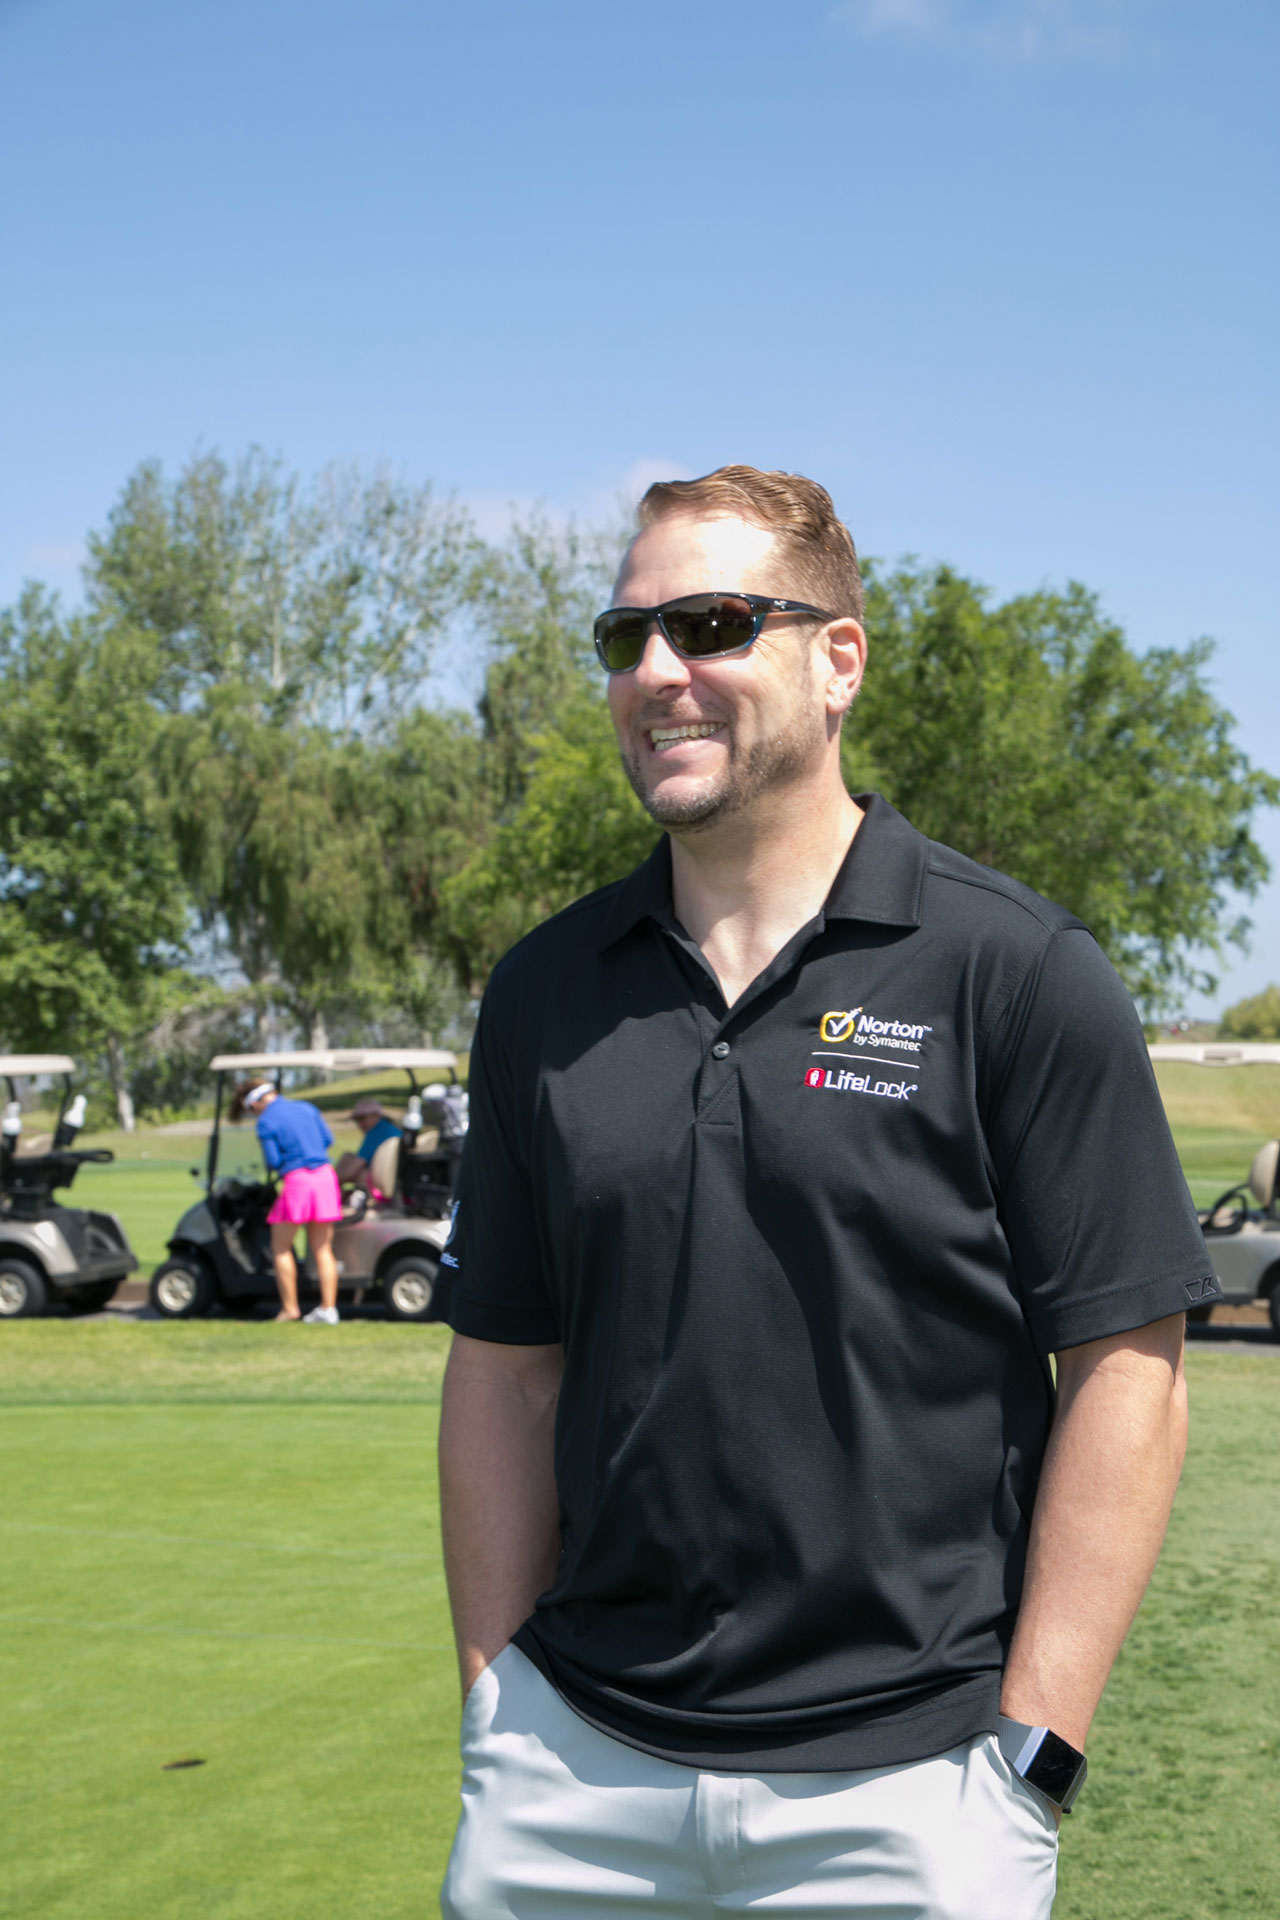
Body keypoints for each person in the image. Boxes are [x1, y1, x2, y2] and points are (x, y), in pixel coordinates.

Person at [428, 466, 1220, 1919]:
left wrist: (1032, 1753)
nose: (657, 672)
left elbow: (1129, 1371)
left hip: (912, 1797)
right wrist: (498, 1706)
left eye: (709, 625)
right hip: (572, 1785)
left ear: (838, 658)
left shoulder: (1014, 969)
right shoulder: (543, 991)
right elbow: (504, 1370)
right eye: (625, 636)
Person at [233, 1079, 343, 1325]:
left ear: (256, 1103)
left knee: (280, 1247)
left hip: (298, 1181)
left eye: (250, 1109)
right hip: (325, 1177)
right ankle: (328, 1309)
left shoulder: (265, 1122)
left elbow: (273, 1161)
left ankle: (290, 1308)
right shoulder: (307, 1108)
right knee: (323, 1248)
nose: (252, 1114)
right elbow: (327, 1140)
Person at [335, 1097, 402, 1201]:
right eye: (356, 1119)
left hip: (390, 1180)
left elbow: (353, 1169)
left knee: (358, 1170)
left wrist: (332, 1181)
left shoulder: (377, 1132)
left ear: (376, 1115)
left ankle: (334, 1195)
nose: (359, 1123)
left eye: (362, 1118)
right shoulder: (387, 1127)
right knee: (348, 1156)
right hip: (395, 1177)